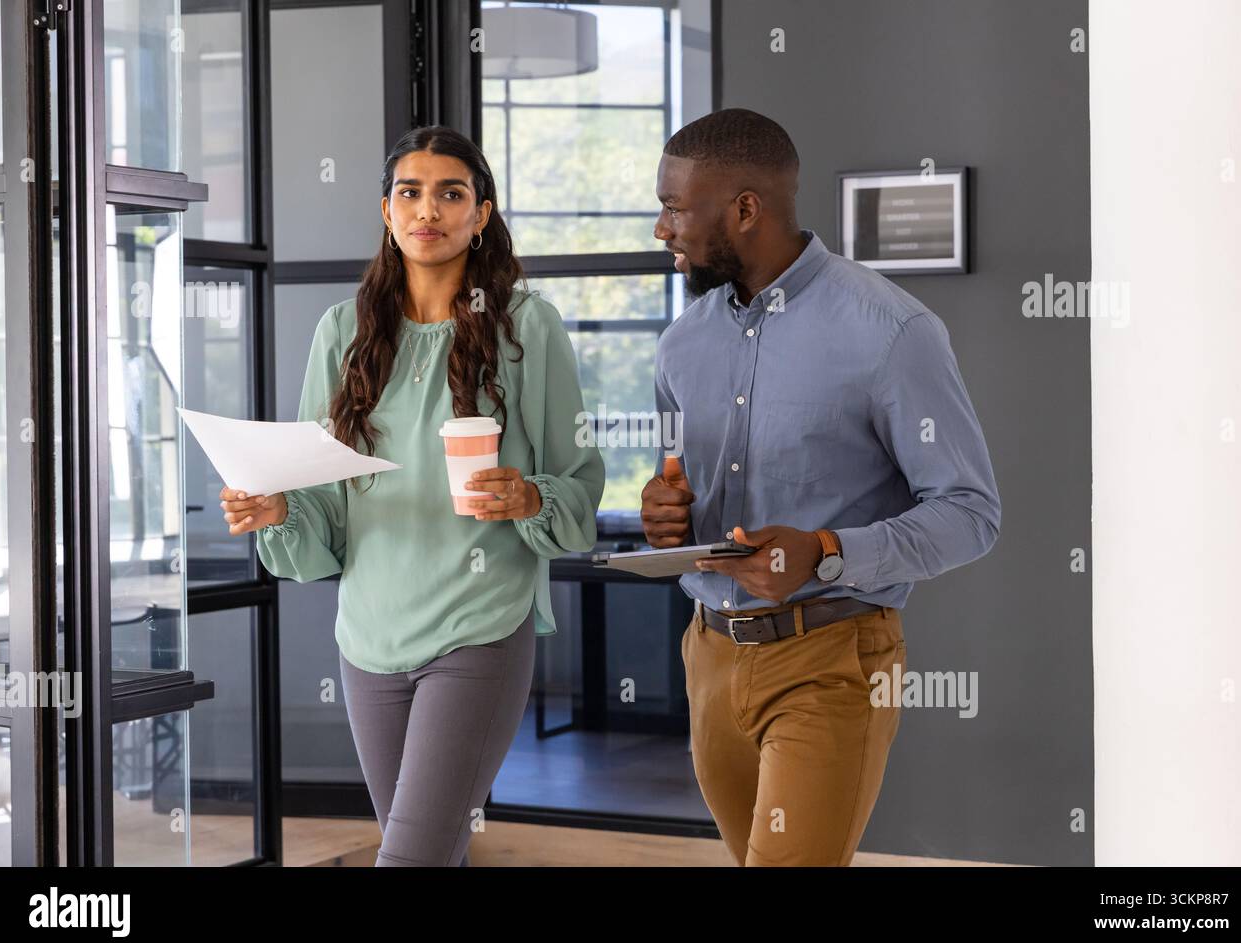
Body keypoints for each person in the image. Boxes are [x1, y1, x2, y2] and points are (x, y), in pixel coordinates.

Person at [220, 125, 605, 867]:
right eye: (410, 192)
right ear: (387, 212)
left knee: (409, 858)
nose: (428, 209)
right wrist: (278, 510)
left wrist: (529, 497)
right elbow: (321, 507)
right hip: (367, 639)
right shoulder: (343, 332)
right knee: (433, 853)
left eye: (451, 193)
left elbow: (579, 482)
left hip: (478, 629)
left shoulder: (526, 325)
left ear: (481, 214)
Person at [641, 108, 1000, 866]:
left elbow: (971, 512)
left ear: (745, 209)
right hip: (709, 656)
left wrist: (828, 552)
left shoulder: (893, 332)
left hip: (831, 660)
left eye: (675, 208)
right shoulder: (681, 345)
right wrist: (665, 512)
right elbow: (676, 482)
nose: (661, 228)